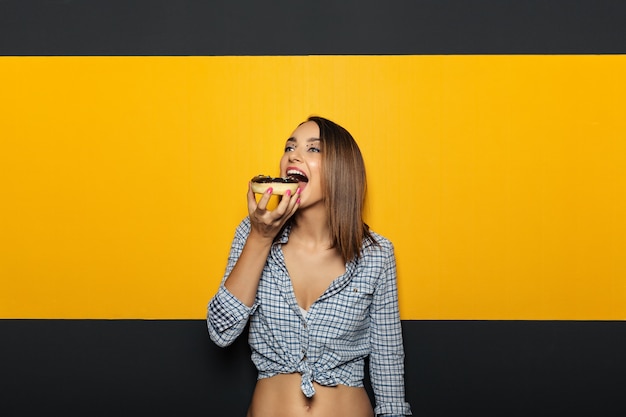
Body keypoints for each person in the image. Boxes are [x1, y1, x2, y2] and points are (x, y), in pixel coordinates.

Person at [207, 116, 412, 417]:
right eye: (289, 147)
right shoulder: (251, 233)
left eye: (313, 149)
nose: (294, 154)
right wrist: (261, 239)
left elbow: (388, 362)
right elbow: (221, 331)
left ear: (341, 170)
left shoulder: (376, 255)